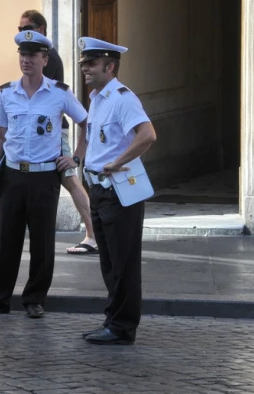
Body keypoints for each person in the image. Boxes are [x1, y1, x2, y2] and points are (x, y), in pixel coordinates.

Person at [0, 30, 88, 319]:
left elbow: (87, 122)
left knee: (42, 241)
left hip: (44, 177)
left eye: (33, 55)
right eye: (23, 55)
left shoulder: (59, 93)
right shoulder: (6, 92)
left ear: (44, 59)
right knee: (7, 241)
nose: (26, 60)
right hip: (13, 175)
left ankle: (35, 299)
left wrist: (75, 158)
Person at [0, 10, 97, 254]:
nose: (26, 58)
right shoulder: (10, 89)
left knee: (68, 177)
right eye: (18, 29)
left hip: (51, 133)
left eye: (27, 27)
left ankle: (93, 233)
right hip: (31, 140)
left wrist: (77, 157)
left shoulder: (49, 59)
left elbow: (44, 102)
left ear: (42, 30)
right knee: (18, 173)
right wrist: (1, 128)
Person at [78, 37, 156, 345]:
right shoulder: (97, 98)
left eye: (91, 64)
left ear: (109, 67)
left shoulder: (123, 98)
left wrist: (117, 162)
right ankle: (113, 319)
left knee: (123, 262)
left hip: (117, 191)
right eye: (84, 63)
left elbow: (148, 134)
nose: (85, 69)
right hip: (99, 191)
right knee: (109, 261)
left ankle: (122, 326)